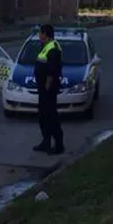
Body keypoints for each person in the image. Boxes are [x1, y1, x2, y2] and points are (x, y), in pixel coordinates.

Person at [32, 24, 64, 155]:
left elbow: (53, 69)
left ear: (46, 34)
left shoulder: (53, 48)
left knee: (51, 116)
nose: (39, 36)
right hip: (43, 88)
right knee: (43, 116)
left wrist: (48, 83)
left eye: (40, 33)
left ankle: (58, 145)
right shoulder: (45, 47)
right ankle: (46, 142)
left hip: (48, 88)